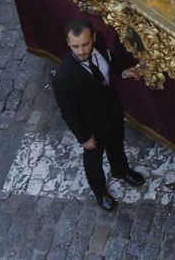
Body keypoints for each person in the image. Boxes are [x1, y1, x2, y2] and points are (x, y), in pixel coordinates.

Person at [53, 18, 147, 212]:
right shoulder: (64, 78)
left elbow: (110, 60)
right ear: (68, 43)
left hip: (112, 110)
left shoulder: (101, 43)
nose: (81, 51)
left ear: (93, 38)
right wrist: (84, 137)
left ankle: (121, 170)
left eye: (85, 44)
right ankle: (100, 192)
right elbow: (69, 113)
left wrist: (122, 71)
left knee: (117, 143)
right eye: (75, 46)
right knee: (93, 161)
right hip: (92, 126)